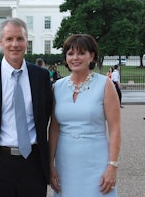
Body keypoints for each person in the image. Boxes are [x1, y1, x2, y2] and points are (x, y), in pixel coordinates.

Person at [0, 18, 53, 196]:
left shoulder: (41, 77)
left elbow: (45, 114)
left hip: (33, 163)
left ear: (26, 41)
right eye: (9, 39)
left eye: (19, 39)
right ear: (1, 42)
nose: (14, 44)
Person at [49, 34, 121, 196]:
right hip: (65, 162)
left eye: (81, 53)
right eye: (70, 53)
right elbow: (54, 128)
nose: (75, 58)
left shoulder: (105, 84)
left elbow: (115, 128)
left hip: (96, 161)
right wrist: (50, 165)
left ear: (92, 56)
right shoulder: (57, 87)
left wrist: (112, 165)